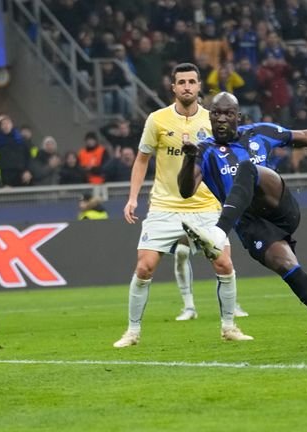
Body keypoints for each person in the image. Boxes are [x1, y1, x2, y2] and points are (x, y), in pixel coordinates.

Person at [178, 92, 307, 355]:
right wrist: (188, 159)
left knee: (248, 169)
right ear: (209, 116)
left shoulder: (259, 133)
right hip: (251, 226)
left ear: (238, 117)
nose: (221, 119)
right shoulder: (204, 150)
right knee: (290, 270)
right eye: (215, 114)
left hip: (278, 207)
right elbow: (186, 190)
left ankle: (218, 234)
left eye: (228, 114)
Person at [113, 63, 252, 349]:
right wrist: (132, 197)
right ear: (173, 87)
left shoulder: (214, 120)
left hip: (206, 206)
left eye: (192, 81)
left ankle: (229, 327)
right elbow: (142, 159)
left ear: (199, 86)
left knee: (224, 263)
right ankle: (132, 331)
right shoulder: (157, 120)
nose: (187, 86)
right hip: (164, 206)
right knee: (144, 267)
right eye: (181, 82)